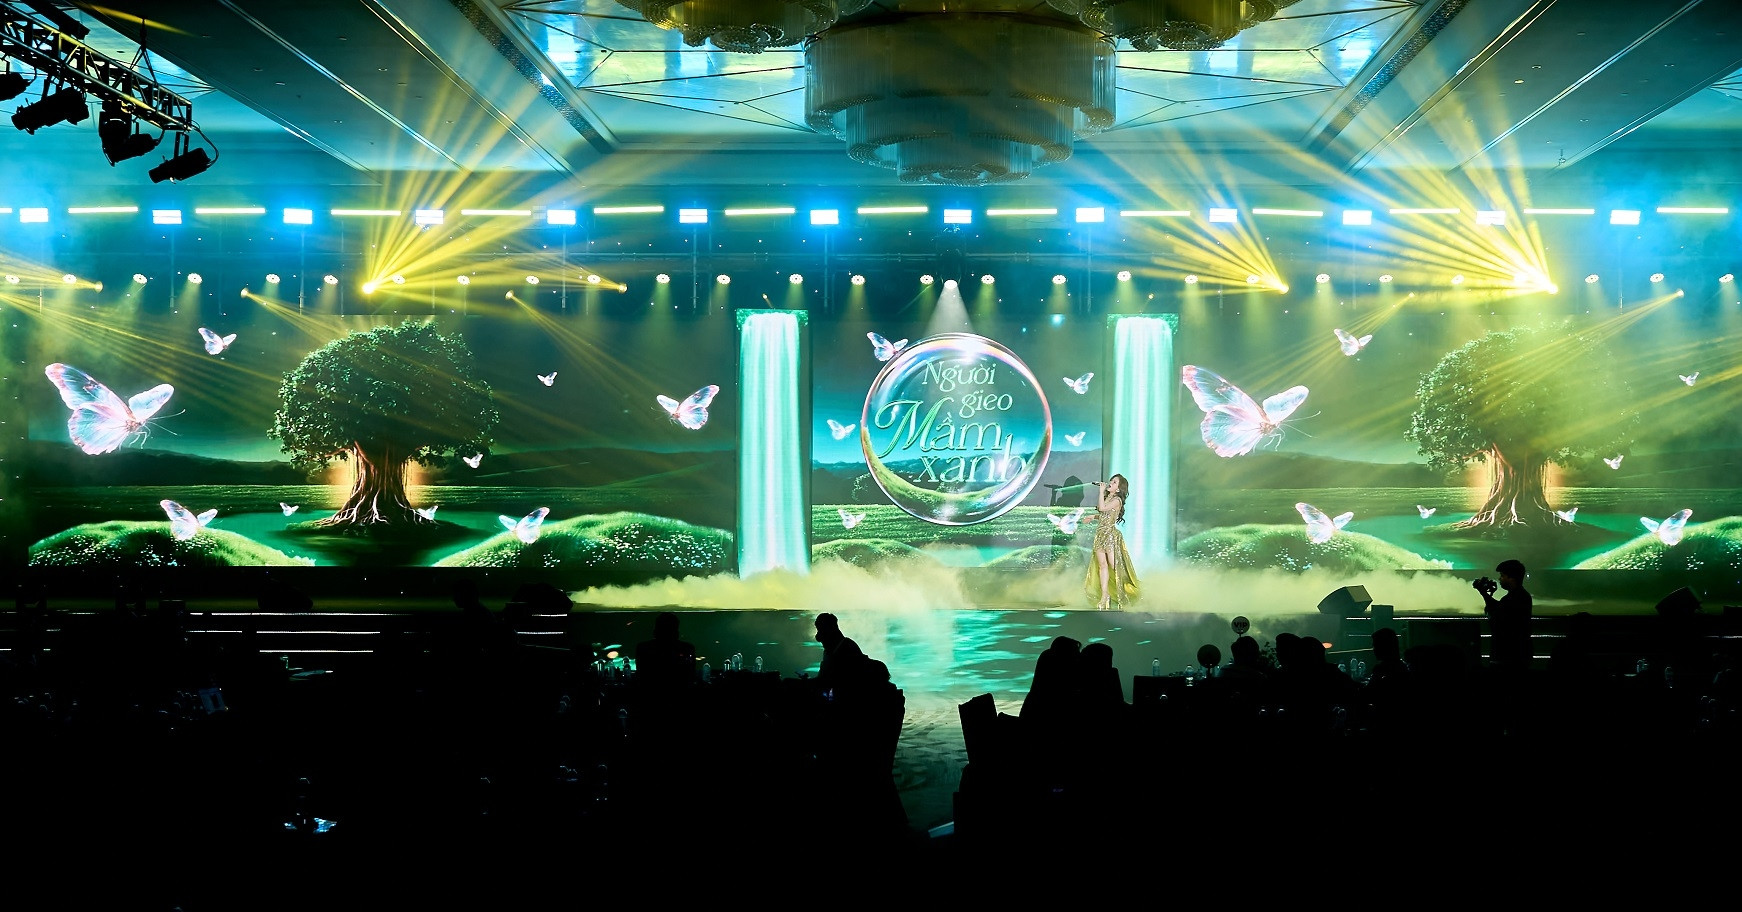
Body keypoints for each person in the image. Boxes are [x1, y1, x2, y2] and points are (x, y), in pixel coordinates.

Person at [1082, 473, 1140, 610]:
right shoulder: (1108, 498)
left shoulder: (1117, 500)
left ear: (1118, 489)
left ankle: (1125, 593)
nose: (1110, 483)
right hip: (1100, 535)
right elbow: (1104, 514)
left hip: (1110, 536)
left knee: (1115, 566)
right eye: (1111, 481)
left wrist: (1101, 491)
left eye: (1114, 482)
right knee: (1102, 565)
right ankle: (1105, 596)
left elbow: (1102, 508)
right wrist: (1093, 516)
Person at [1477, 559, 1533, 672]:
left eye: (1502, 576)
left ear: (1511, 578)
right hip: (1517, 655)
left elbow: (1498, 618)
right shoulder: (1521, 596)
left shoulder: (1513, 599)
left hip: (1507, 656)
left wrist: (1484, 593)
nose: (1500, 579)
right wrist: (1485, 594)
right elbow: (1499, 609)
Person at [634, 611, 697, 689]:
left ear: (656, 630)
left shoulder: (643, 648)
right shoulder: (687, 648)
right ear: (676, 631)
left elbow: (641, 675)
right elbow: (690, 675)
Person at [815, 612, 868, 696]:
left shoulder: (847, 648)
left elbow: (827, 680)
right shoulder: (831, 649)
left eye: (820, 629)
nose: (818, 636)